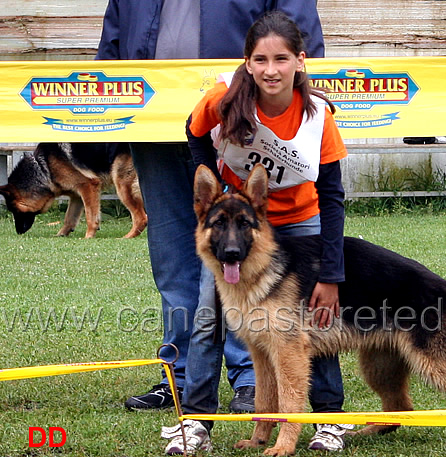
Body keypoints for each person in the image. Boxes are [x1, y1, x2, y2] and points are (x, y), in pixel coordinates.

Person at [95, 0, 325, 414]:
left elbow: (298, 28)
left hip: (238, 126)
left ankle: (250, 378)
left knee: (242, 256)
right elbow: (112, 44)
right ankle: (178, 377)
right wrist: (110, 123)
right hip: (150, 129)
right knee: (172, 262)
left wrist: (289, 105)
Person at [161, 10, 351, 455]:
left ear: (300, 61)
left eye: (281, 59)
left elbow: (333, 193)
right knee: (208, 316)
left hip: (300, 220)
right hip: (242, 219)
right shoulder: (224, 99)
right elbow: (193, 132)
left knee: (312, 322)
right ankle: (198, 420)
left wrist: (331, 273)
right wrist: (221, 190)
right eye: (261, 60)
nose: (271, 70)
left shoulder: (317, 116)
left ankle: (328, 420)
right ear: (247, 63)